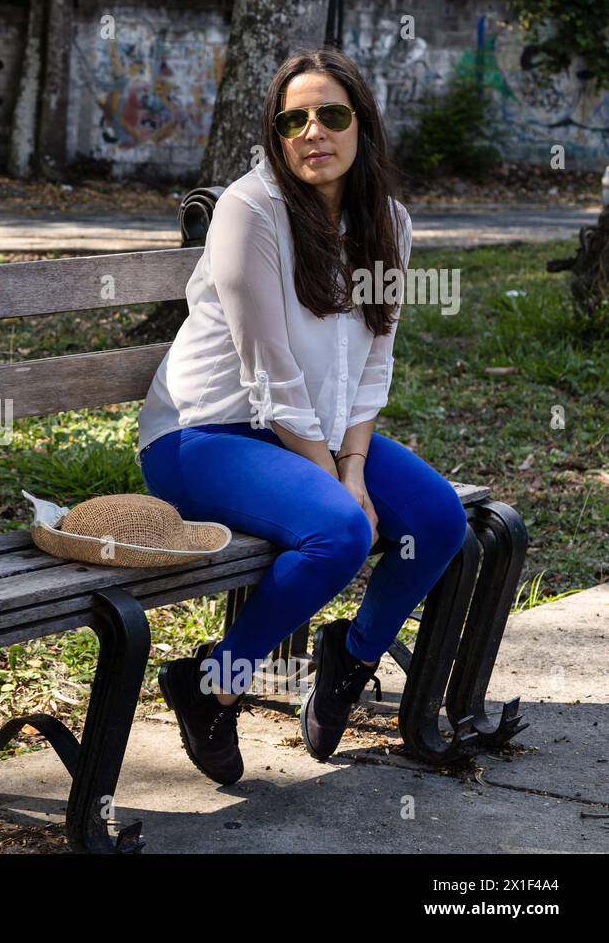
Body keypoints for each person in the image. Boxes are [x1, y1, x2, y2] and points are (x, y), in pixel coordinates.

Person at [136, 47, 468, 785]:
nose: (313, 131)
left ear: (363, 125)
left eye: (332, 115)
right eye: (294, 119)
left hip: (302, 433)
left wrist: (352, 464)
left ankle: (348, 658)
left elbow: (373, 359)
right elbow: (267, 368)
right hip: (204, 434)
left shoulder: (388, 220)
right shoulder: (248, 211)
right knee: (341, 529)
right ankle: (212, 682)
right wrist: (337, 484)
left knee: (441, 520)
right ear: (276, 134)